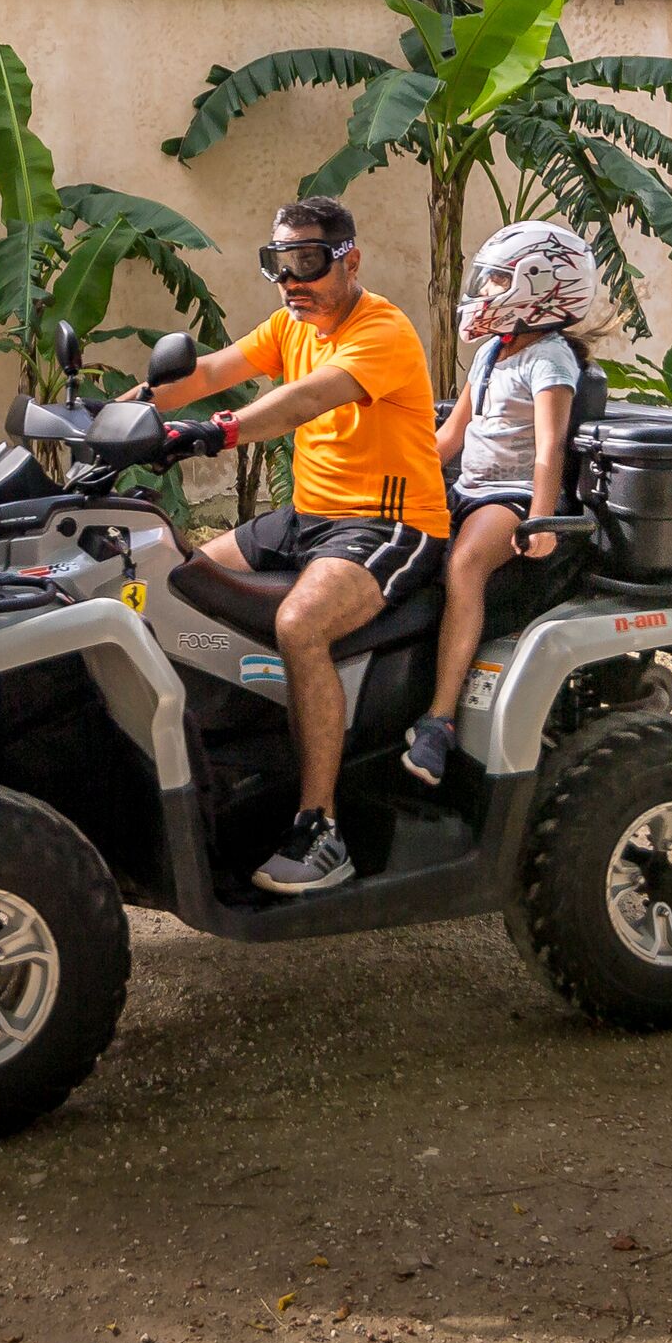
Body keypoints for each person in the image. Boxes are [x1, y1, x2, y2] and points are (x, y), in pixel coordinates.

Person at [149, 195, 449, 896]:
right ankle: (231, 766)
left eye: (307, 262)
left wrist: (216, 432)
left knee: (299, 624)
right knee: (175, 585)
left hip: (388, 523)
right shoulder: (290, 324)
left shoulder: (384, 329)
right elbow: (209, 373)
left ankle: (321, 828)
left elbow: (305, 400)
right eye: (279, 265)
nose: (292, 282)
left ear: (351, 258)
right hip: (307, 516)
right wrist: (116, 410)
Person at [402, 221, 602, 788]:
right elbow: (450, 437)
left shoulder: (551, 360)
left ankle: (439, 721)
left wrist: (540, 521)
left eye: (496, 280)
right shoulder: (494, 350)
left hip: (512, 497)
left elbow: (549, 449)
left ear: (539, 289)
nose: (483, 291)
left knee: (465, 565)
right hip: (466, 486)